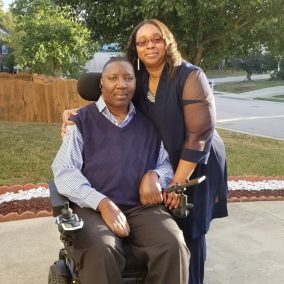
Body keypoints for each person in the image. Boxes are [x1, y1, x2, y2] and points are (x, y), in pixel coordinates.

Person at [62, 19, 228, 284]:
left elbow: (198, 136)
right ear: (135, 48)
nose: (149, 45)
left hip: (193, 163)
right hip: (154, 173)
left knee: (186, 236)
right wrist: (77, 115)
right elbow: (111, 94)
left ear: (167, 41)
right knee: (110, 247)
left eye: (156, 38)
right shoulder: (138, 78)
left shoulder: (189, 75)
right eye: (142, 41)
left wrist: (169, 181)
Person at [52, 57, 190, 284]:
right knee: (102, 249)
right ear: (101, 84)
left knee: (172, 244)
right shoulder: (81, 122)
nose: (121, 84)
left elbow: (165, 163)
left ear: (135, 85)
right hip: (92, 208)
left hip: (140, 207)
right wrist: (103, 203)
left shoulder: (149, 125)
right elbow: (65, 172)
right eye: (113, 78)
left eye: (128, 78)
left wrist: (155, 175)